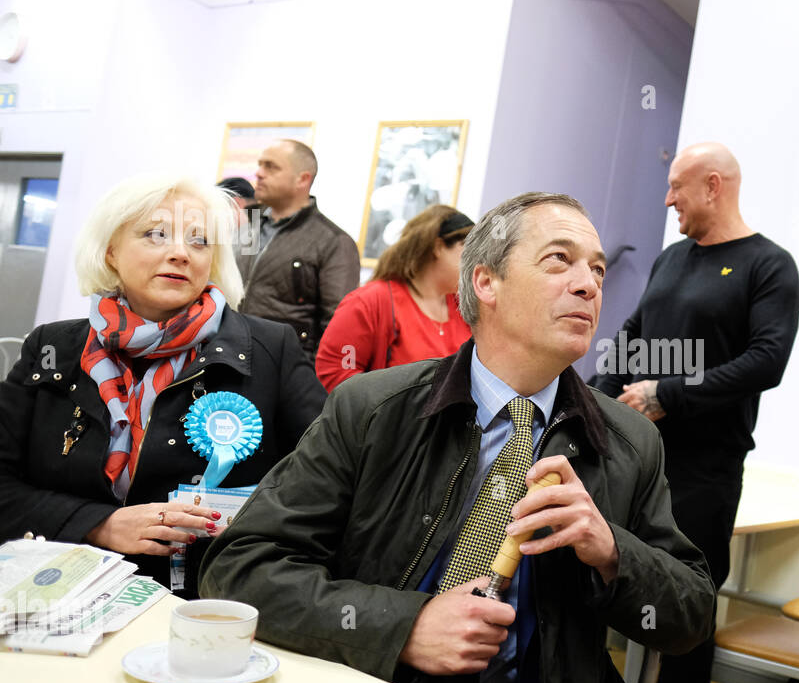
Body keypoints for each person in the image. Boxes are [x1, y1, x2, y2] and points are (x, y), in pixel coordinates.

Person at [200, 191, 714, 683]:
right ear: (487, 283)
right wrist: (406, 626)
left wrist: (611, 551)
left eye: (597, 269)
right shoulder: (372, 410)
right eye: (559, 260)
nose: (588, 285)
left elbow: (689, 615)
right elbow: (238, 569)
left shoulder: (629, 442)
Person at [0, 174, 326, 598]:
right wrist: (99, 523)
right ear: (111, 251)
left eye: (199, 241)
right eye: (156, 234)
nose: (180, 253)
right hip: (60, 591)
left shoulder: (270, 348)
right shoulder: (52, 347)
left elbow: (321, 485)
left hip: (207, 601)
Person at [590, 142, 799, 683]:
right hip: (635, 463)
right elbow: (633, 340)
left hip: (706, 472)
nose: (668, 200)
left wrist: (668, 394)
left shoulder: (769, 267)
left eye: (678, 188)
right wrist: (588, 400)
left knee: (688, 612)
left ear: (714, 186)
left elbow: (766, 361)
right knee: (595, 582)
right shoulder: (672, 259)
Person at [315, 205, 474, 392]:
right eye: (469, 251)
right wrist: (390, 411)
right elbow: (335, 372)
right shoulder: (369, 302)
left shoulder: (463, 307)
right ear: (438, 247)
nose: (476, 264)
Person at [237, 140, 360, 356]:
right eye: (260, 165)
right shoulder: (245, 223)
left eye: (271, 167)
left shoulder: (333, 241)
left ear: (302, 179)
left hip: (284, 368)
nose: (259, 173)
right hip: (226, 355)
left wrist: (307, 377)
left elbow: (338, 327)